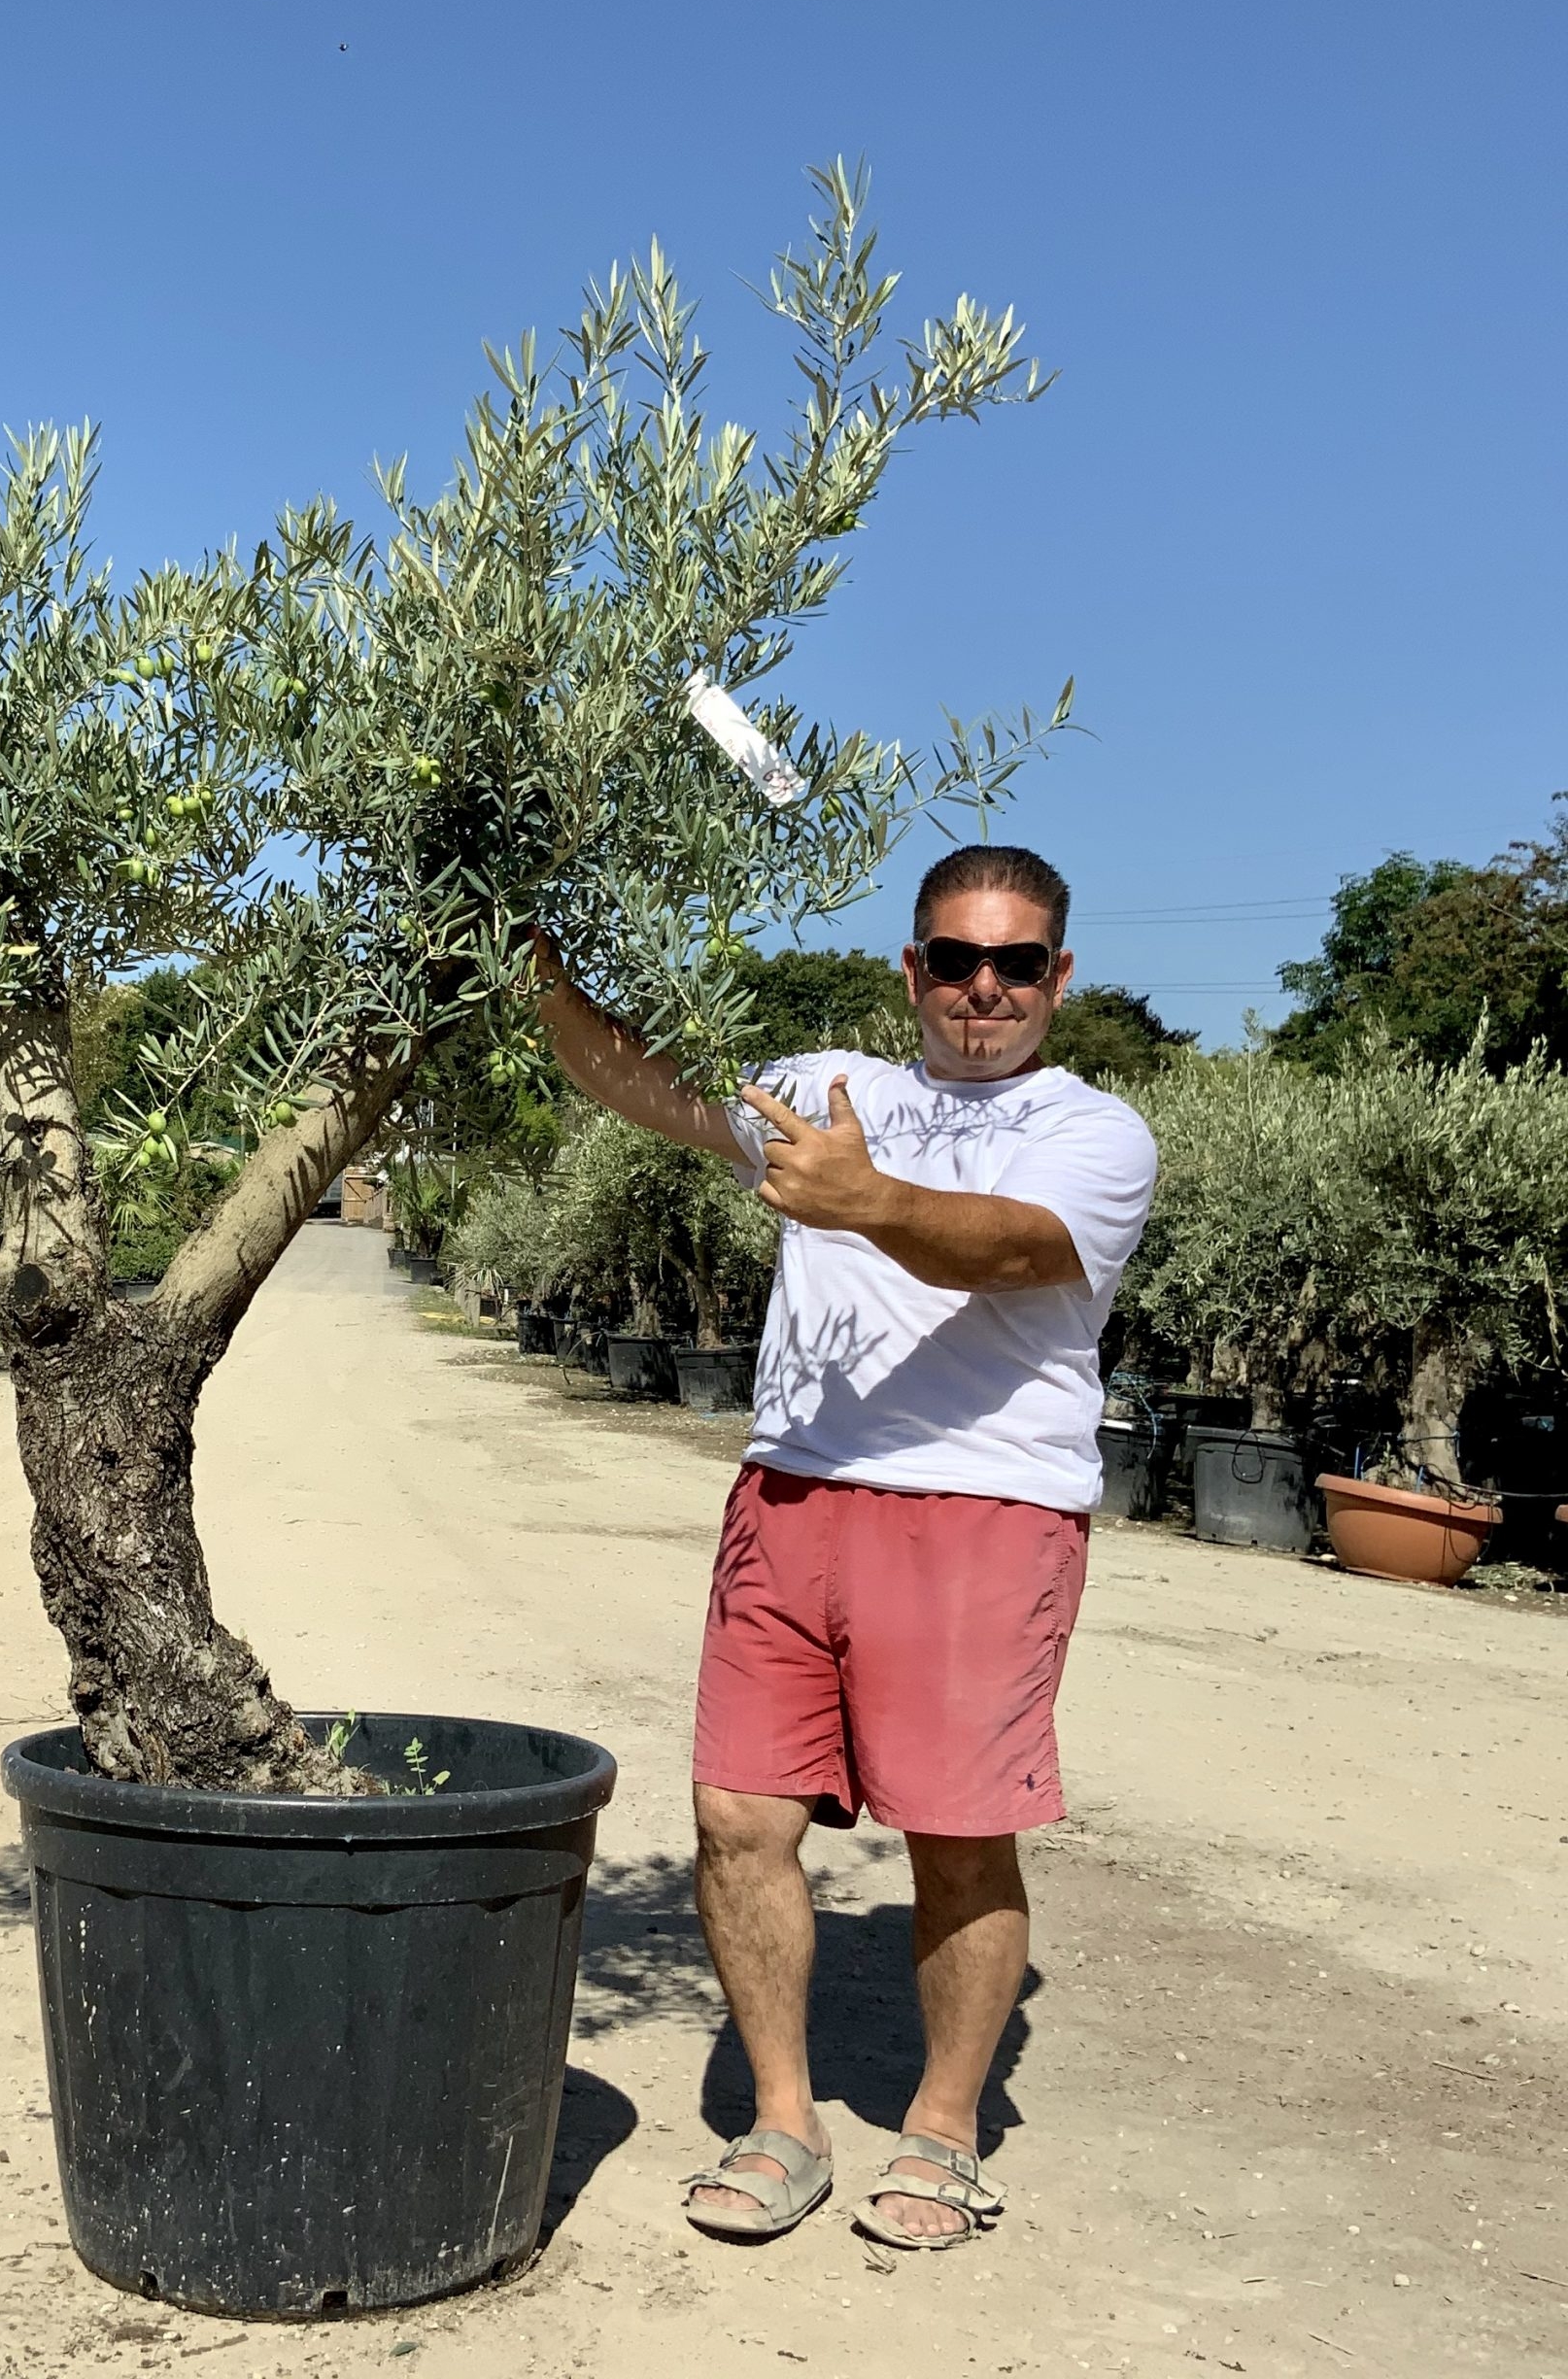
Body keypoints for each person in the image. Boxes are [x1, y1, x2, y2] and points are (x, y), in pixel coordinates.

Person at [533, 844, 1156, 2252]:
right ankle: (784, 2120)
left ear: (1060, 975)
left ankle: (941, 2130)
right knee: (735, 1818)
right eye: (954, 960)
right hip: (792, 1498)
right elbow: (661, 1094)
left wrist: (864, 1200)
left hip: (985, 1512)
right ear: (912, 970)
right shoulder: (835, 1089)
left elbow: (1011, 1249)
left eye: (1013, 964)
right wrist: (540, 975)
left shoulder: (1095, 1130)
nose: (981, 990)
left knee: (956, 1834)